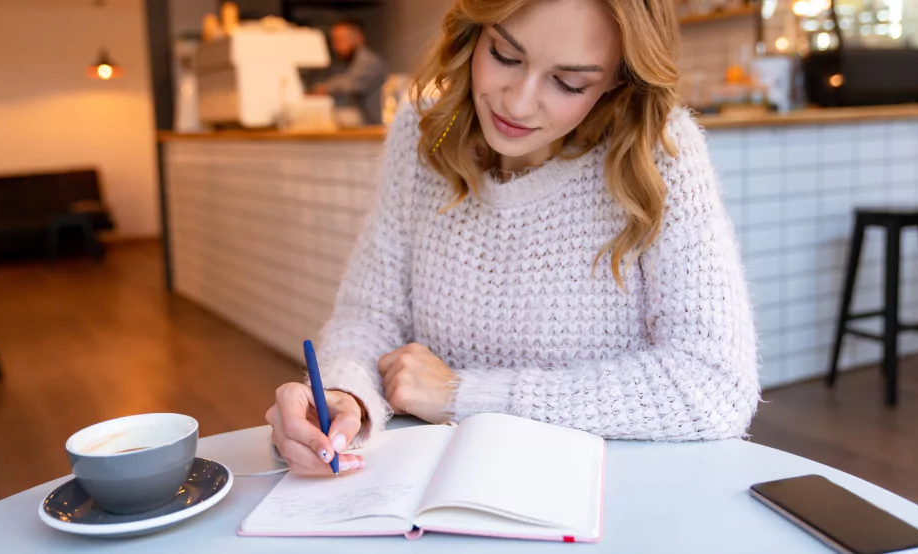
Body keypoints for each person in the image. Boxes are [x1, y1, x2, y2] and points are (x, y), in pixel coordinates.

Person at [267, 0, 761, 476]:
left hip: (609, 491)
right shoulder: (424, 135)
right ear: (473, 32)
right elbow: (371, 314)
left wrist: (464, 395)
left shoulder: (659, 153)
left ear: (617, 81)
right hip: (439, 485)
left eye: (569, 82)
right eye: (504, 55)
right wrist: (344, 394)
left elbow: (713, 385)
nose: (518, 102)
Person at [311, 20, 388, 125]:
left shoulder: (368, 61)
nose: (335, 47)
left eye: (340, 40)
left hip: (372, 123)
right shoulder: (345, 62)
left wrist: (323, 88)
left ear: (358, 38)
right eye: (334, 41)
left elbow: (350, 83)